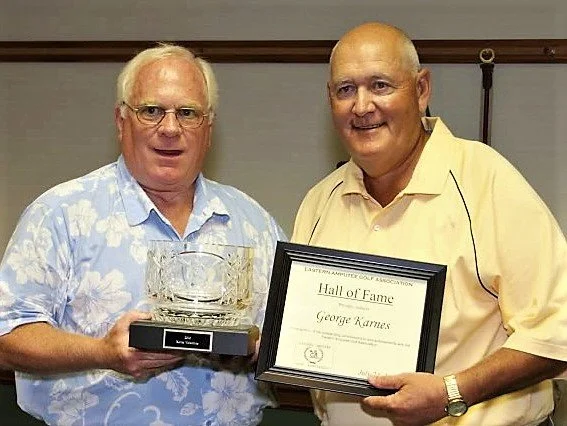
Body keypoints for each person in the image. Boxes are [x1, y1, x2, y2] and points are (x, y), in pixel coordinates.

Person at [291, 22, 567, 426]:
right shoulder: (320, 201)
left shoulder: (484, 181)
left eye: (380, 85)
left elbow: (559, 327)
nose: (362, 106)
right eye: (345, 89)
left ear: (421, 90)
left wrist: (453, 392)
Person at [0, 44, 286, 425]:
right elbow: (6, 335)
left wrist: (266, 351)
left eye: (188, 113)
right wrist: (102, 352)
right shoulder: (60, 215)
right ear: (121, 121)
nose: (170, 128)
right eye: (151, 111)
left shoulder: (256, 224)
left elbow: (291, 341)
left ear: (209, 128)